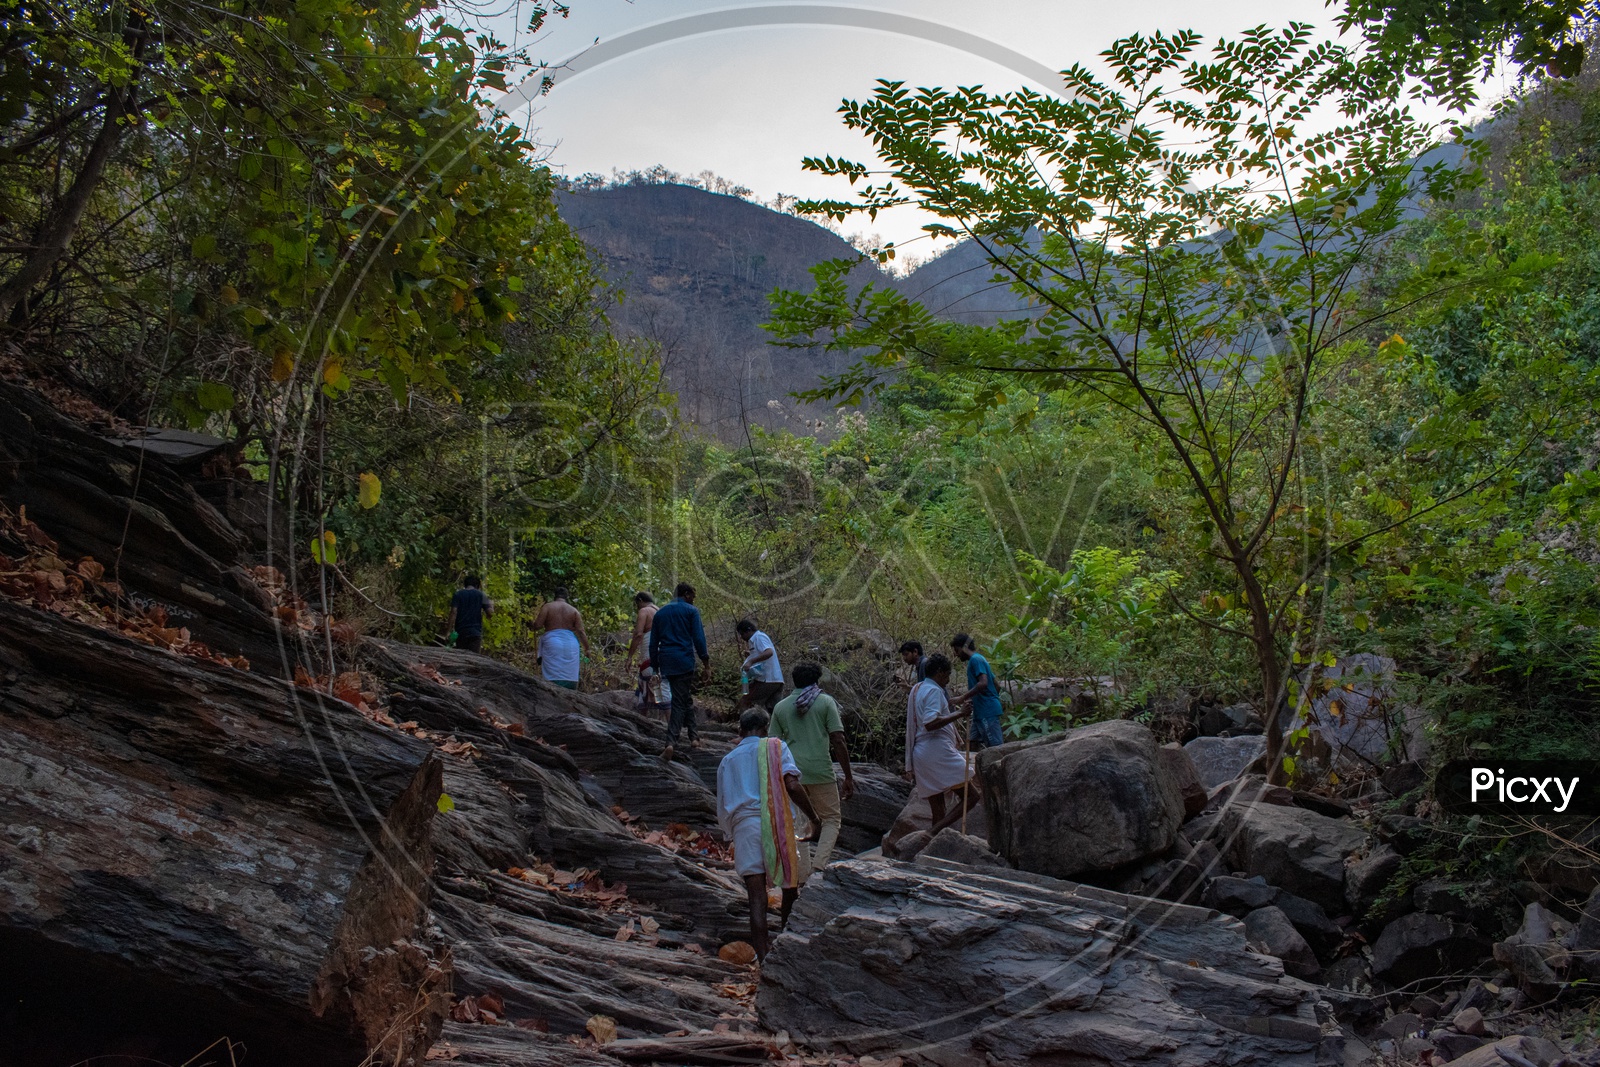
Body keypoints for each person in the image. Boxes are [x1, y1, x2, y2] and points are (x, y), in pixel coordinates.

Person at [716, 708, 821, 960]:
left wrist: (730, 834)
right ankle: (785, 947)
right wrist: (814, 818)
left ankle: (763, 958)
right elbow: (792, 784)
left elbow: (722, 802)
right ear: (765, 730)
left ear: (740, 731)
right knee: (789, 888)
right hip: (776, 822)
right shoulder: (776, 747)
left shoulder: (728, 760)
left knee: (756, 897)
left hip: (743, 825)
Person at [770, 661, 855, 875]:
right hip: (820, 770)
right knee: (832, 819)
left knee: (799, 823)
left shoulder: (781, 707)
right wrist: (848, 776)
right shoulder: (825, 702)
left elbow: (773, 743)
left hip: (791, 773)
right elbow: (838, 739)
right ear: (816, 681)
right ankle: (819, 865)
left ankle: (801, 876)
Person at [905, 653, 982, 834]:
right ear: (939, 673)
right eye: (947, 675)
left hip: (922, 753)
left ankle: (932, 845)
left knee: (938, 809)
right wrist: (960, 713)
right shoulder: (933, 691)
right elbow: (930, 723)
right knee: (972, 797)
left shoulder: (918, 688)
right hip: (937, 751)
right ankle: (933, 832)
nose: (947, 680)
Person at [649, 582, 711, 760]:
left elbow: (654, 643)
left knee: (683, 696)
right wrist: (706, 662)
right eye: (692, 596)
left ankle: (694, 737)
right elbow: (699, 638)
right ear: (686, 594)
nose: (693, 600)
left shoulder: (660, 613)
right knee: (678, 700)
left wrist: (655, 667)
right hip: (684, 660)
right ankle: (671, 743)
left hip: (667, 660)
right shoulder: (691, 612)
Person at [951, 633, 1005, 750]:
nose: (956, 654)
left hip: (986, 711)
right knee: (971, 741)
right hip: (980, 711)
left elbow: (983, 683)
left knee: (996, 748)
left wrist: (963, 698)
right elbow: (996, 684)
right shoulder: (980, 659)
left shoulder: (976, 660)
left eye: (957, 650)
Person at [532, 586, 590, 690]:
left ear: (555, 596)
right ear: (566, 597)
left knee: (552, 671)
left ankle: (550, 692)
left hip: (552, 642)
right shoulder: (573, 610)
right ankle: (571, 694)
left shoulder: (548, 607)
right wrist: (587, 648)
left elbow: (537, 625)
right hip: (571, 644)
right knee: (570, 672)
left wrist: (531, 625)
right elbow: (581, 631)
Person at [626, 591, 669, 710]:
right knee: (656, 681)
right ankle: (656, 716)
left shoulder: (644, 611)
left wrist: (629, 657)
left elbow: (638, 634)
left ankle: (660, 715)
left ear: (640, 601)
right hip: (662, 650)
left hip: (650, 650)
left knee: (652, 681)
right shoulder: (659, 610)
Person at [736, 618, 784, 712]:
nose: (742, 637)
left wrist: (751, 661)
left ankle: (747, 724)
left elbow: (769, 652)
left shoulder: (759, 637)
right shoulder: (754, 641)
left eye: (742, 634)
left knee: (746, 700)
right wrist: (751, 655)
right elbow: (762, 654)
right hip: (775, 679)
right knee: (773, 708)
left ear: (749, 630)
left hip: (767, 679)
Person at [443, 575, 494, 653]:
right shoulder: (481, 595)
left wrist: (448, 631)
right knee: (474, 660)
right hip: (475, 632)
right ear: (477, 585)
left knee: (461, 658)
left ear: (465, 584)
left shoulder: (458, 594)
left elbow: (453, 612)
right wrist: (491, 605)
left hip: (461, 632)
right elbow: (490, 613)